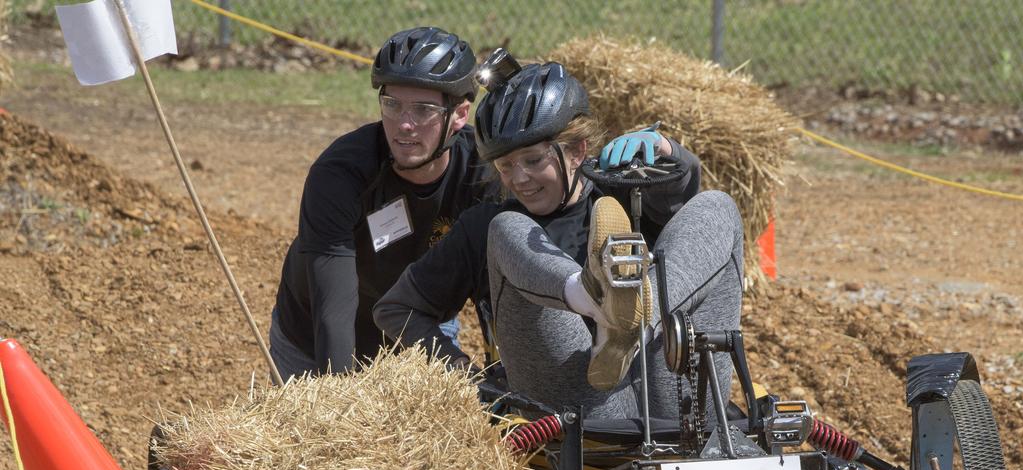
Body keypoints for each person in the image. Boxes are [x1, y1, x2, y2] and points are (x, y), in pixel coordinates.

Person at [373, 57, 745, 420]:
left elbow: (685, 203)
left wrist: (666, 149)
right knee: (504, 228)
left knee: (717, 205)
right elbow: (395, 309)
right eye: (505, 166)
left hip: (675, 402)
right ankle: (596, 300)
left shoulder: (621, 189)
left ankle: (636, 318)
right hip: (574, 412)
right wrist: (465, 377)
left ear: (577, 151)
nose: (519, 179)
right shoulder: (485, 224)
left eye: (534, 160)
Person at [269, 27, 490, 381]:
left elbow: (493, 290)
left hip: (419, 328)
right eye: (392, 104)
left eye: (423, 109)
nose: (404, 124)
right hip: (315, 342)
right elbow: (333, 311)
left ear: (460, 115)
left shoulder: (484, 173)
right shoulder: (340, 174)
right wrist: (339, 405)